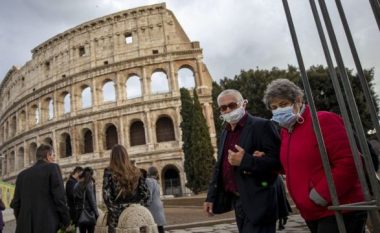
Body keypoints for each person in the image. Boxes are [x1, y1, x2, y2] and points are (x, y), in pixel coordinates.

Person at [262, 78, 367, 233]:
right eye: (274, 107)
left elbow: (350, 161)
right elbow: (294, 166)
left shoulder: (323, 120)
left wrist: (320, 195)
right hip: (312, 213)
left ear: (298, 100)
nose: (278, 110)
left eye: (283, 104)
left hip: (339, 208)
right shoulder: (286, 132)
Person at [203, 89, 282, 233]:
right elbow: (219, 167)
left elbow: (278, 163)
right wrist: (211, 197)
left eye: (232, 105)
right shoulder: (225, 132)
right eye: (223, 108)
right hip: (238, 201)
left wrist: (246, 160)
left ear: (243, 104)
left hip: (260, 200)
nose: (227, 110)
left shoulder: (262, 126)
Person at [10, 144, 70, 233]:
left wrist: (21, 221)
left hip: (23, 226)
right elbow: (60, 198)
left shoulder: (22, 175)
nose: (54, 158)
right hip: (46, 224)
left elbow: (16, 203)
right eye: (53, 155)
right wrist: (66, 221)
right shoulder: (52, 168)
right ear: (48, 155)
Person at [102, 144, 150, 233]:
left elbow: (107, 197)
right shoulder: (137, 171)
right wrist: (136, 208)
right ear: (126, 156)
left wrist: (119, 211)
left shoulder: (109, 172)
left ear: (112, 157)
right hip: (136, 217)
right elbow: (146, 195)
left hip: (116, 220)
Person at [74, 167, 99, 233]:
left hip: (80, 214)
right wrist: (97, 214)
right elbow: (92, 201)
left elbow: (75, 200)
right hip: (89, 213)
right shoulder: (88, 184)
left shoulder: (76, 185)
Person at [146, 166, 166, 233]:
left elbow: (149, 195)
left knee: (155, 227)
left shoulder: (149, 181)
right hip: (158, 206)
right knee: (159, 227)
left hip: (153, 207)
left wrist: (145, 205)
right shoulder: (156, 182)